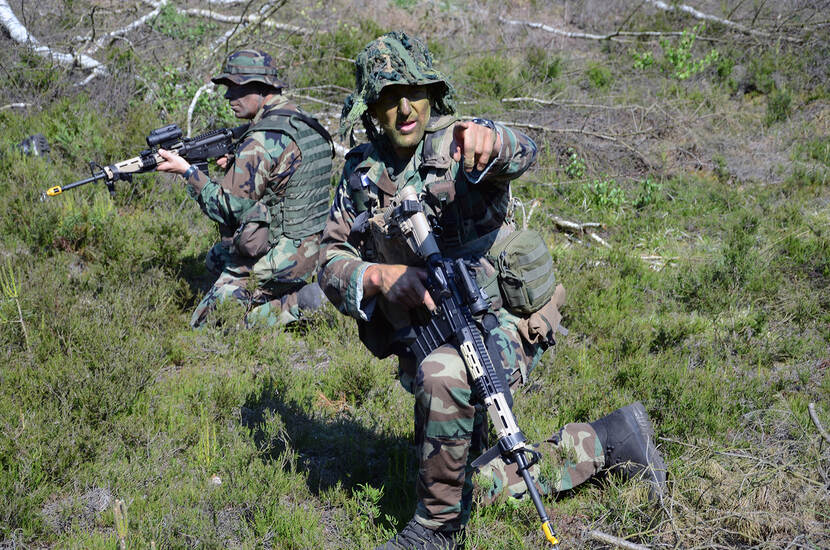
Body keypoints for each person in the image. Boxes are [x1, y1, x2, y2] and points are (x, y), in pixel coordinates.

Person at [318, 31, 668, 550]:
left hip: (499, 320)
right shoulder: (360, 174)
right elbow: (327, 259)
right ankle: (612, 439)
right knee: (470, 478)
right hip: (433, 332)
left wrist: (492, 138)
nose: (405, 107)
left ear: (431, 94)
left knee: (444, 382)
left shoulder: (457, 144)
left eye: (413, 91)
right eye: (389, 96)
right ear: (373, 108)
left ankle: (436, 532)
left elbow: (520, 151)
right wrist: (377, 277)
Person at [157, 49, 332, 328]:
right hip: (316, 244)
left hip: (286, 254)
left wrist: (187, 172)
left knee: (208, 323)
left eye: (236, 89)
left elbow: (227, 209)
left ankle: (296, 303)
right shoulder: (303, 122)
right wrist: (236, 166)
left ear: (260, 88)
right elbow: (285, 185)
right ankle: (280, 289)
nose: (228, 97)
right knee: (215, 258)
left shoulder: (262, 139)